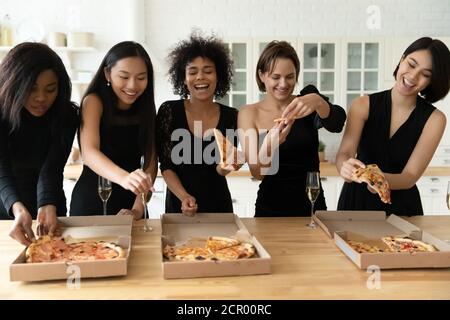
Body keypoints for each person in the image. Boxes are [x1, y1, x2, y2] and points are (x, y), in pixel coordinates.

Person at [336, 37, 450, 216]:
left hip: (402, 208)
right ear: (401, 60)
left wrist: (376, 180)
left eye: (426, 74)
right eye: (411, 64)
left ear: (432, 81)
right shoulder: (362, 104)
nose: (413, 76)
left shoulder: (435, 119)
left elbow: (410, 176)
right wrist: (345, 167)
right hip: (356, 202)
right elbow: (345, 154)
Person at [238, 41, 346, 217]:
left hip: (313, 206)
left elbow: (338, 123)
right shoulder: (248, 113)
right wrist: (271, 145)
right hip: (270, 209)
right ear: (262, 75)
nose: (283, 84)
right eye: (275, 77)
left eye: (290, 76)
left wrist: (319, 101)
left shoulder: (306, 102)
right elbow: (257, 173)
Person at [0, 42, 78, 245]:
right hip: (5, 205)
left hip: (50, 207)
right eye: (32, 89)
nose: (41, 98)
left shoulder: (66, 115)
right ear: (16, 84)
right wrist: (16, 207)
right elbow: (1, 168)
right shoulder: (2, 112)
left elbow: (52, 166)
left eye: (50, 89)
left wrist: (47, 203)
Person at [156, 32, 240, 215]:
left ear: (218, 76)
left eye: (208, 71)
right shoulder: (169, 111)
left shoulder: (232, 116)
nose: (200, 77)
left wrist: (229, 165)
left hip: (219, 208)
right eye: (192, 72)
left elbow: (220, 168)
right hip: (178, 207)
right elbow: (167, 166)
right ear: (184, 79)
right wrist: (184, 197)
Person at [70, 41, 156, 218]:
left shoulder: (146, 107)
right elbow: (89, 153)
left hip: (131, 201)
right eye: (124, 77)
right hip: (93, 199)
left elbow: (151, 162)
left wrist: (138, 209)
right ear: (107, 74)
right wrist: (125, 178)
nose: (132, 85)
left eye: (141, 78)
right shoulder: (94, 101)